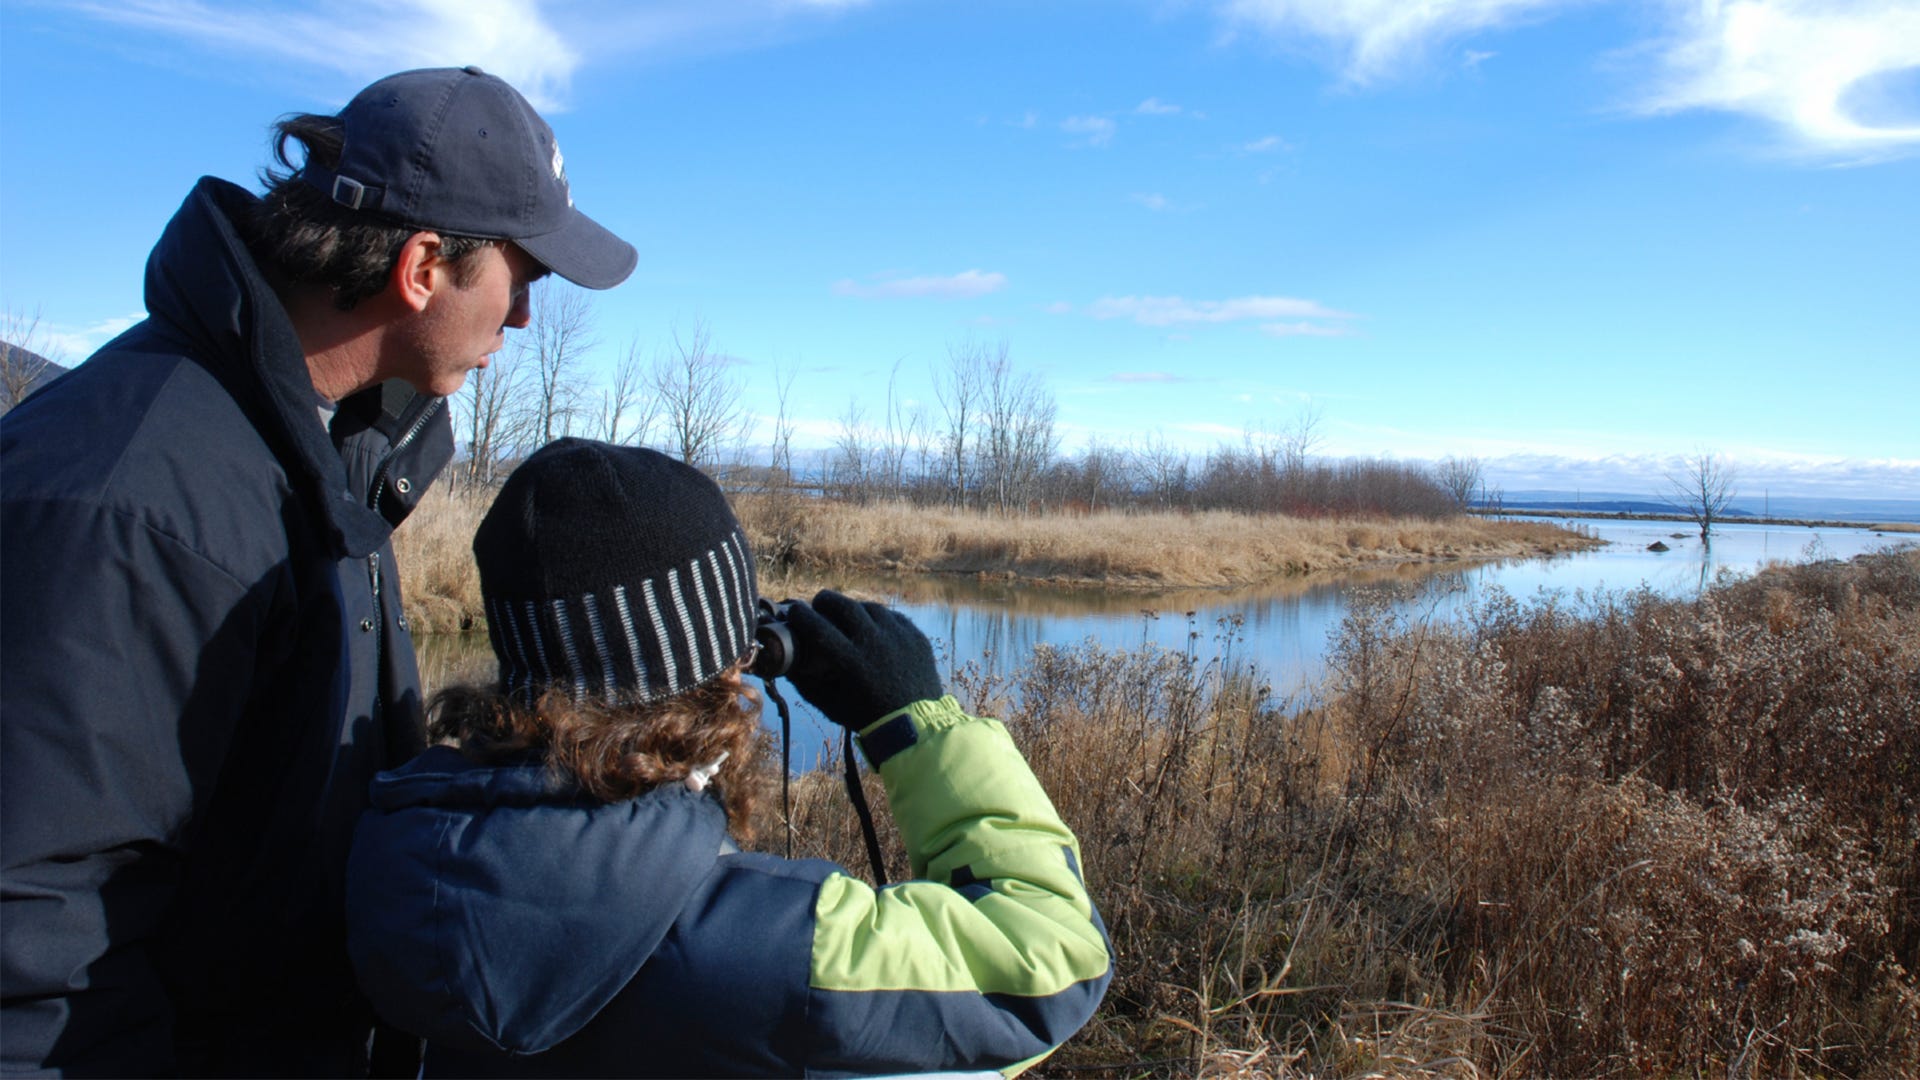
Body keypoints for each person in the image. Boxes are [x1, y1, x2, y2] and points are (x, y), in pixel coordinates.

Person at [0, 68, 636, 1075]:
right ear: (424, 267)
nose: (522, 322)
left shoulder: (328, 453)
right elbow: (30, 941)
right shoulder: (129, 497)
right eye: (527, 276)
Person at [344, 438, 1113, 1076]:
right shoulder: (762, 948)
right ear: (717, 674)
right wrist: (916, 722)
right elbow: (1053, 962)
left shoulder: (394, 851)